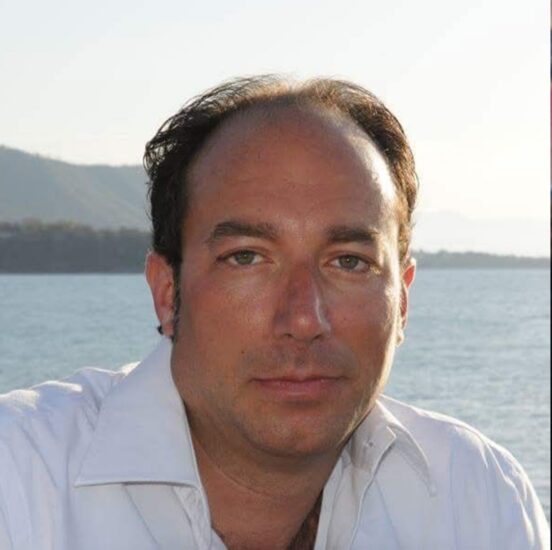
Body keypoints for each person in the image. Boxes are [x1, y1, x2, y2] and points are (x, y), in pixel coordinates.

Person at [0, 76, 548, 550]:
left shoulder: (478, 500)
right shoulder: (20, 480)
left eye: (349, 262)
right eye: (247, 258)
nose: (304, 319)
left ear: (402, 300)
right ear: (168, 293)